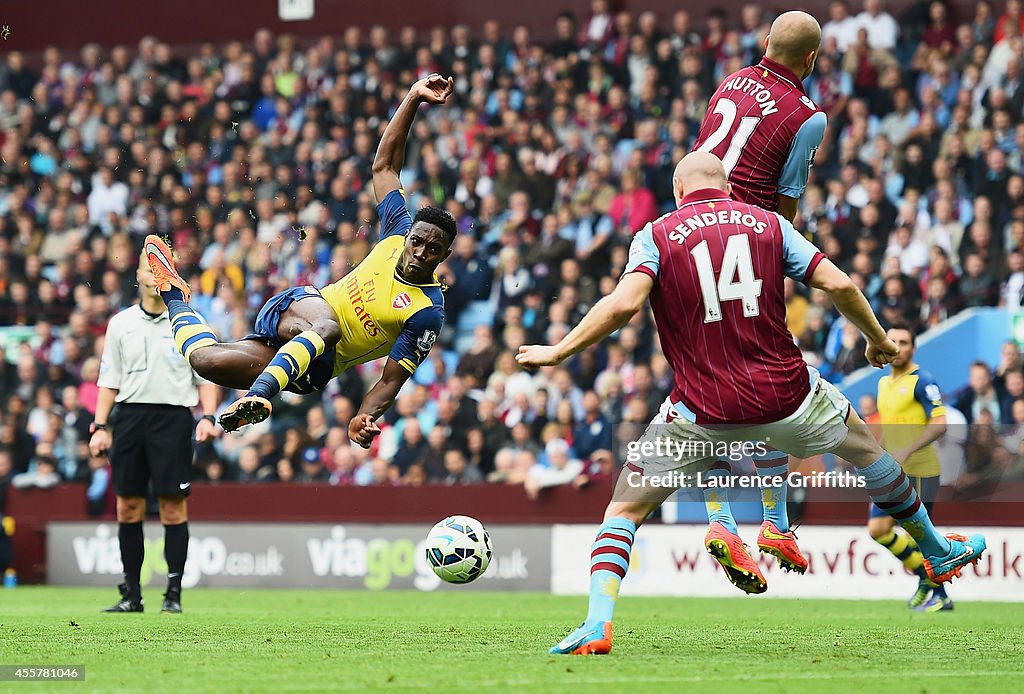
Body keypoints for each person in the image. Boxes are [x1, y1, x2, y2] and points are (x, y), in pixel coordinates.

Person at [517, 152, 986, 655]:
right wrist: (876, 341)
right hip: (788, 398)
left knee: (624, 510)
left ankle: (598, 622)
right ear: (727, 185)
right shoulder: (770, 226)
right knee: (871, 454)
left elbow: (624, 305)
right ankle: (934, 550)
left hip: (702, 409)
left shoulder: (655, 236)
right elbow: (840, 284)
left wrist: (559, 350)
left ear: (678, 188)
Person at [145, 75, 457, 448]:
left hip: (310, 367)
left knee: (205, 362)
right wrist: (412, 98)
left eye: (433, 250)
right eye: (418, 242)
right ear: (409, 237)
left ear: (445, 255)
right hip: (303, 310)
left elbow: (391, 380)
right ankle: (258, 396)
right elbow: (385, 168)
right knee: (329, 327)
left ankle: (173, 295)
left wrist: (364, 415)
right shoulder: (395, 234)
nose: (421, 253)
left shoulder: (426, 312)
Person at [692, 10, 828, 581]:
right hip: (749, 244)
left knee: (702, 384)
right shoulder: (807, 117)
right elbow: (787, 198)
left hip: (687, 239)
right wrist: (783, 249)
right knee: (769, 381)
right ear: (813, 61)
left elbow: (698, 164)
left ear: (765, 42)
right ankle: (765, 521)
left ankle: (730, 520)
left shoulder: (729, 82)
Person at [88, 251, 220, 614]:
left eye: (162, 267)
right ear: (138, 275)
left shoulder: (190, 321)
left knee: (172, 508)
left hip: (174, 419)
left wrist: (208, 417)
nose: (155, 273)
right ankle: (132, 594)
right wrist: (100, 426)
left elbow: (205, 375)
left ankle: (173, 595)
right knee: (127, 506)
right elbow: (108, 379)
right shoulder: (120, 323)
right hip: (129, 419)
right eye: (150, 267)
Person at [872, 322, 952, 612]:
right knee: (878, 529)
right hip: (890, 471)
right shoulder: (883, 382)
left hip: (920, 470)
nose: (898, 347)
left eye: (904, 342)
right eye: (893, 341)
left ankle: (939, 593)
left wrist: (908, 448)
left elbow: (941, 423)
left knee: (919, 536)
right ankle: (927, 580)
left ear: (913, 348)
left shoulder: (922, 380)